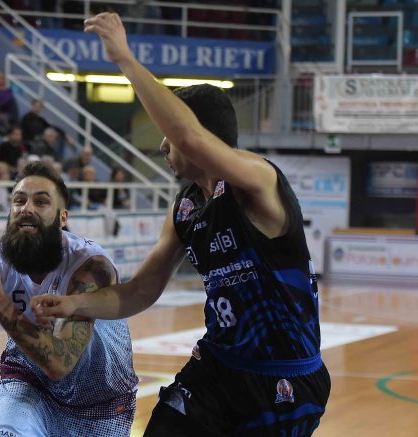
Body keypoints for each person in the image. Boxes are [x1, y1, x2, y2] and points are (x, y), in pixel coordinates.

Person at [32, 13, 330, 437]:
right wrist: (74, 304)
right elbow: (140, 291)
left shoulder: (258, 180)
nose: (162, 145)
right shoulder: (186, 209)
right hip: (217, 370)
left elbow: (188, 136)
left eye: (168, 133)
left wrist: (125, 59)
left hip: (284, 379)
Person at [0, 161, 138, 436]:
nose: (26, 208)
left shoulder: (91, 267)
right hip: (29, 381)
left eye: (41, 202)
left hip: (99, 398)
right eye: (19, 200)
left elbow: (60, 364)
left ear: (62, 218)